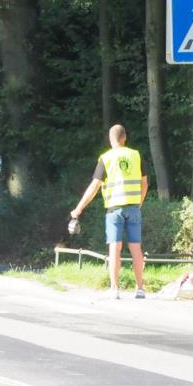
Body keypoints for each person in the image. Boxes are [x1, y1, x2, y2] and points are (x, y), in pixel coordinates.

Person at [70, 124, 149, 299]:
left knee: (115, 248)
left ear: (111, 139)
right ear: (125, 137)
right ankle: (140, 289)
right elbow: (144, 183)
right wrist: (139, 203)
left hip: (114, 210)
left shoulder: (106, 158)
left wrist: (78, 208)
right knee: (136, 248)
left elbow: (94, 187)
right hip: (134, 208)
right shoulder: (135, 155)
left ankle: (115, 289)